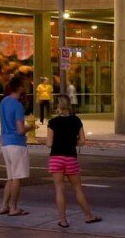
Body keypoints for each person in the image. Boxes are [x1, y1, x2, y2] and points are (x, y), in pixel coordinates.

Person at [47, 95, 102, 228]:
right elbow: (83, 141)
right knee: (77, 188)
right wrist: (71, 142)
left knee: (59, 189)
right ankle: (88, 216)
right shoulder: (76, 120)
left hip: (56, 158)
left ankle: (63, 220)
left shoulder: (52, 122)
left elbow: (49, 143)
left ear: (58, 106)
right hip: (71, 157)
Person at [0, 73, 30, 217]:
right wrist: (32, 127)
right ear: (20, 88)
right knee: (17, 178)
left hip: (5, 142)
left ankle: (4, 205)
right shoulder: (18, 106)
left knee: (10, 177)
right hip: (17, 143)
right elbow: (20, 129)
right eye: (24, 85)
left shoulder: (4, 101)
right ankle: (14, 207)